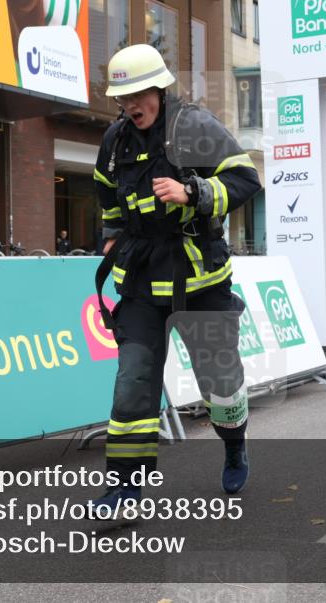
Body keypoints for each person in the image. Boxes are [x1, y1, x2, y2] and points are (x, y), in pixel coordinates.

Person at [91, 44, 261, 514]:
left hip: (201, 284)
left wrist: (193, 192)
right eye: (122, 98)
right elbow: (106, 194)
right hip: (142, 283)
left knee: (220, 383)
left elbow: (245, 179)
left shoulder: (194, 127)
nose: (130, 105)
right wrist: (111, 235)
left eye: (137, 95)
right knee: (133, 383)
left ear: (158, 89)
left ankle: (234, 444)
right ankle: (125, 489)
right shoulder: (115, 140)